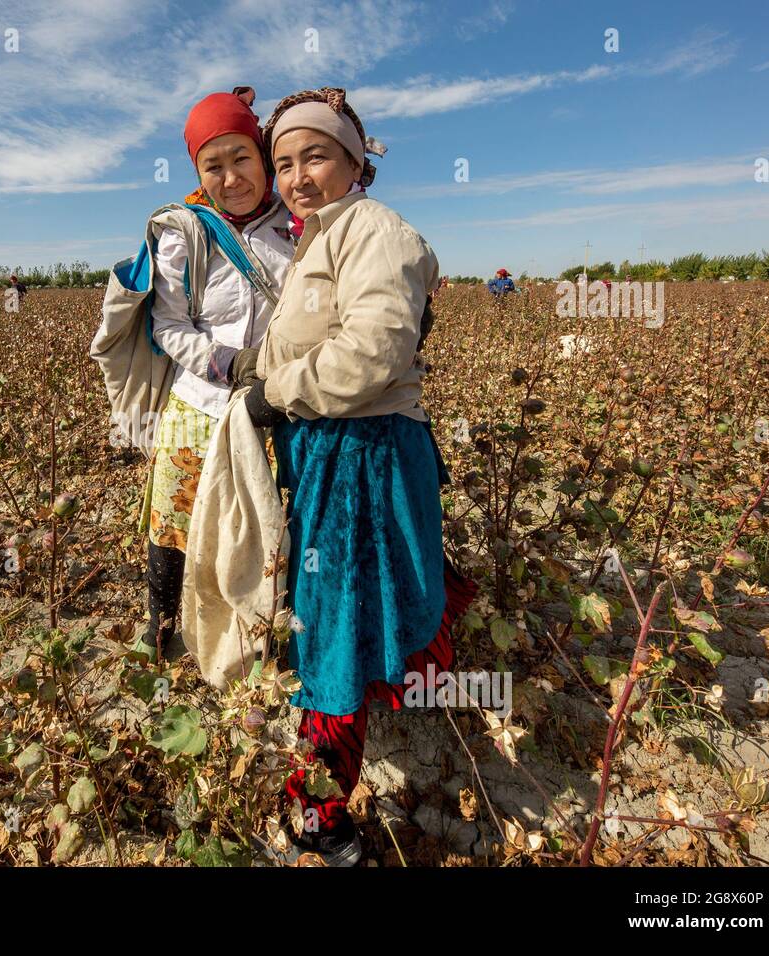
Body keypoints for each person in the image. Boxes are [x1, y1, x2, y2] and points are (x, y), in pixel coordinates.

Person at [243, 87, 477, 865]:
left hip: (362, 456)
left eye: (316, 155)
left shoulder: (374, 230)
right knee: (361, 605)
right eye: (284, 162)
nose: (299, 176)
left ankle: (318, 817)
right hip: (333, 450)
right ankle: (418, 677)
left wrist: (275, 394)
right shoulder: (318, 240)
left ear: (355, 162)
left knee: (331, 632)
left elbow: (373, 351)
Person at [129, 87, 295, 663]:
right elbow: (169, 325)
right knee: (174, 515)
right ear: (199, 170)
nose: (230, 177)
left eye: (241, 158)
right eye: (213, 165)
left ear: (264, 155)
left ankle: (262, 632)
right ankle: (161, 621)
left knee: (263, 521)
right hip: (197, 401)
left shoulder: (299, 226)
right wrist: (227, 363)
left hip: (275, 407)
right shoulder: (185, 232)